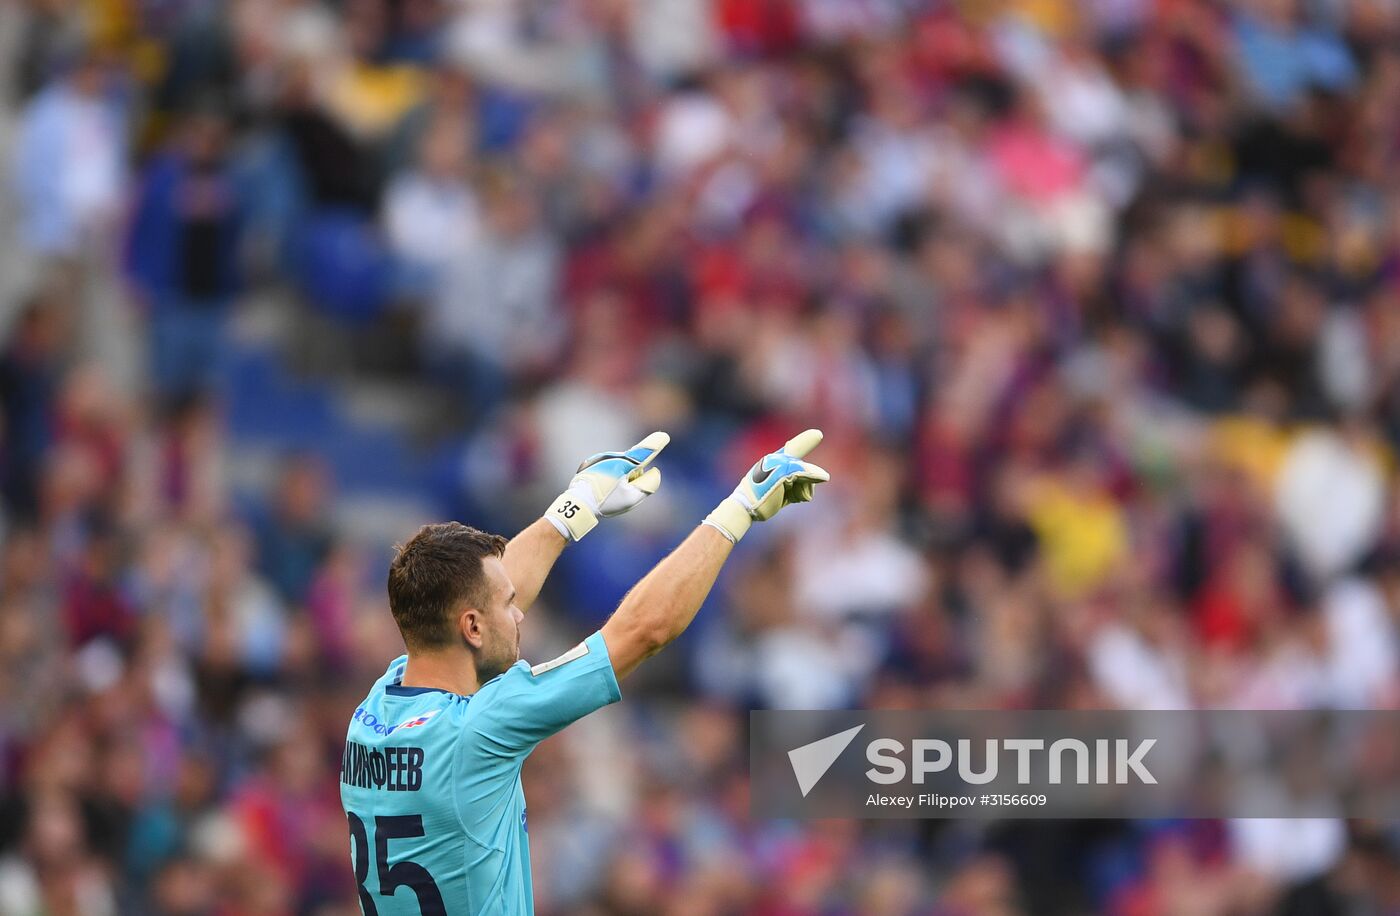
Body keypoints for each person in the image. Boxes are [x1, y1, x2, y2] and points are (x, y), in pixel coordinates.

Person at [339, 429, 829, 914]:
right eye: (509, 606)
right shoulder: (478, 727)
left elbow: (485, 606)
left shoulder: (376, 709)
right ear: (470, 627)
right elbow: (644, 631)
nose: (520, 614)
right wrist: (739, 508)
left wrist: (576, 506)